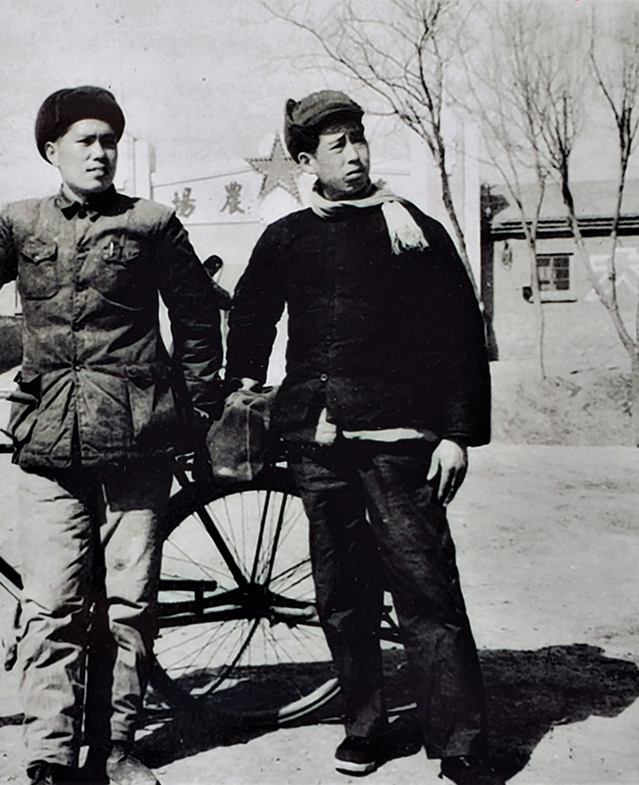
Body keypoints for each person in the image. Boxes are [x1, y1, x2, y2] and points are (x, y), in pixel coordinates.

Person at [0, 85, 223, 785]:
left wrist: (196, 406)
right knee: (52, 603)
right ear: (52, 151)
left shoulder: (153, 224)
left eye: (108, 140)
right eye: (84, 140)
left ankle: (118, 746)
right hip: (48, 443)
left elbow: (197, 317)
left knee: (129, 603)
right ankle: (51, 755)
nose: (99, 151)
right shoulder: (21, 224)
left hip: (137, 441)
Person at [224, 90, 502, 785]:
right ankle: (364, 725)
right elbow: (252, 315)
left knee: (426, 586)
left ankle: (459, 740)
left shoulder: (412, 228)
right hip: (318, 441)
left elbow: (461, 333)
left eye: (359, 139)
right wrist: (242, 384)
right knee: (343, 592)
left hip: (403, 441)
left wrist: (457, 434)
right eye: (337, 144)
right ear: (306, 159)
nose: (354, 154)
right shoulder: (288, 235)